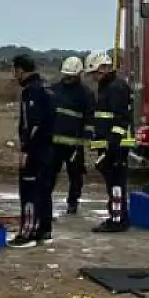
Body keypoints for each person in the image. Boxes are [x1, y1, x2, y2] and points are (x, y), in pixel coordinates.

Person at [9, 54, 55, 249]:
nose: (14, 75)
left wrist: (26, 150)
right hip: (48, 150)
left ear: (20, 70)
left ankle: (27, 233)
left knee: (29, 192)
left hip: (36, 152)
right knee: (44, 190)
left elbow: (33, 124)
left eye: (14, 71)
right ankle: (44, 231)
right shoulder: (45, 88)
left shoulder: (31, 92)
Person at [86, 50, 133, 233]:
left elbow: (120, 120)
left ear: (104, 68)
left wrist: (111, 148)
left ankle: (117, 220)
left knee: (116, 183)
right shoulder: (107, 87)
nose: (94, 78)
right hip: (111, 144)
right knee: (113, 183)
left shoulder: (116, 87)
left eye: (96, 73)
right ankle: (119, 216)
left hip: (117, 145)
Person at [49, 55, 94, 216]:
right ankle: (45, 199)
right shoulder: (54, 89)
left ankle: (73, 203)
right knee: (49, 173)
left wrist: (86, 137)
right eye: (66, 75)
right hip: (54, 142)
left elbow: (89, 117)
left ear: (78, 74)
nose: (67, 78)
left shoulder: (85, 94)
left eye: (71, 76)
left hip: (75, 144)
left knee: (76, 176)